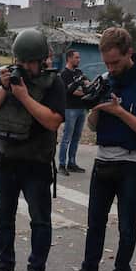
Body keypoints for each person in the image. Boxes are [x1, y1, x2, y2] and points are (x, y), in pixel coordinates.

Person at [60, 26, 136, 271]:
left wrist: (118, 111)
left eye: (115, 62)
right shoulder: (106, 78)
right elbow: (93, 128)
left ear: (129, 53)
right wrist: (96, 107)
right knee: (95, 222)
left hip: (132, 164)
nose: (111, 68)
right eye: (106, 63)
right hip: (103, 161)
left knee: (127, 226)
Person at [0, 28, 66, 271]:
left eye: (31, 62)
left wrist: (25, 98)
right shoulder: (9, 79)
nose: (26, 67)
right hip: (6, 162)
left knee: (39, 220)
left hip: (36, 164)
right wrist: (4, 89)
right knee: (3, 218)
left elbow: (53, 121)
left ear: (42, 60)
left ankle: (36, 269)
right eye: (22, 62)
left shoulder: (54, 83)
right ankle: (5, 264)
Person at [58, 48, 89, 176]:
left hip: (81, 108)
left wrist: (85, 89)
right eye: (76, 57)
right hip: (70, 108)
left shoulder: (79, 72)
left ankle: (72, 163)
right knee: (67, 137)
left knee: (76, 138)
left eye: (79, 57)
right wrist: (83, 91)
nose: (78, 60)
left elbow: (87, 84)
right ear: (69, 58)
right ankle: (61, 164)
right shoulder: (64, 74)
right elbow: (71, 91)